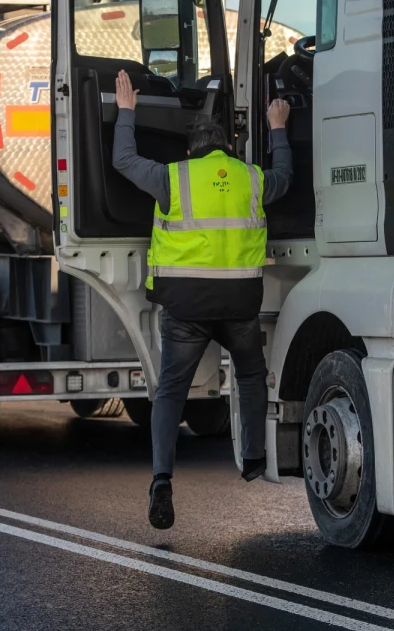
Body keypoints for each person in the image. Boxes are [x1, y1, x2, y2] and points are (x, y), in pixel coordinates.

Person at [111, 69, 293, 529]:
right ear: (228, 147)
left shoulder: (172, 178)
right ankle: (253, 457)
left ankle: (161, 480)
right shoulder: (251, 179)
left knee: (171, 390)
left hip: (185, 308)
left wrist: (127, 112)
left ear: (190, 150)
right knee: (250, 374)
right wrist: (277, 128)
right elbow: (286, 177)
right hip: (238, 305)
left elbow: (123, 160)